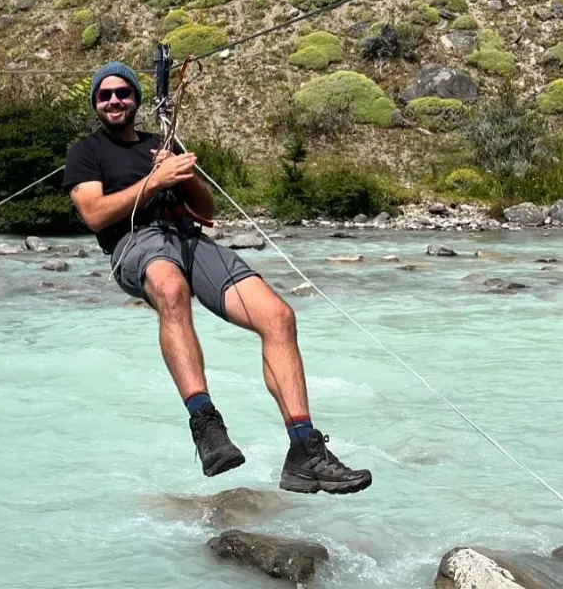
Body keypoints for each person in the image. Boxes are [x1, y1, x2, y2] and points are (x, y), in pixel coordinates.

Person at [61, 61, 373, 496]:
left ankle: (305, 450)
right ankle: (206, 426)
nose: (114, 100)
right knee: (171, 288)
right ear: (96, 103)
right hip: (135, 244)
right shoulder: (87, 151)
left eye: (123, 93)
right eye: (104, 95)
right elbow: (94, 214)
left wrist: (184, 175)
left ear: (136, 98)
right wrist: (155, 181)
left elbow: (205, 213)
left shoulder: (160, 145)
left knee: (278, 316)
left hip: (189, 239)